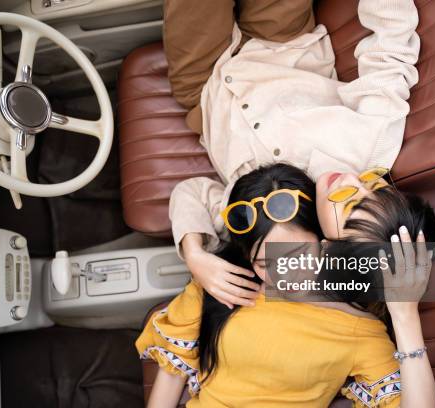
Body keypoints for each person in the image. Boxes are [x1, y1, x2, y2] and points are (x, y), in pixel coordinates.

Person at [164, 0, 422, 308]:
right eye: (373, 188)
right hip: (285, 42)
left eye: (349, 206)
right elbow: (391, 52)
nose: (352, 183)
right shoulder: (372, 145)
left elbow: (191, 193)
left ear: (326, 245)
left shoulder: (257, 221)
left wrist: (195, 254)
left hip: (206, 83)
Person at [136, 164, 435, 407]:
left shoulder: (359, 331)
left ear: (325, 246)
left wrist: (405, 315)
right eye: (263, 264)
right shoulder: (223, 282)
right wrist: (195, 254)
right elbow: (172, 369)